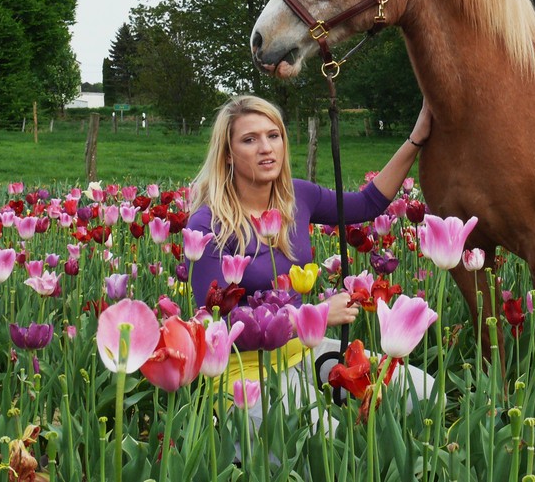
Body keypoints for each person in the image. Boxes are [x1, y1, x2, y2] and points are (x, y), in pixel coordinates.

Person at [186, 94, 434, 431]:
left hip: (303, 352)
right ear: (228, 155)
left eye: (273, 136)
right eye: (249, 139)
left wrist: (416, 137)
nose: (266, 148)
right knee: (322, 440)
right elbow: (216, 325)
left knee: (424, 394)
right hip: (241, 372)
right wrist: (313, 316)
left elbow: (367, 203)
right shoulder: (207, 224)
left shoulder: (297, 197)